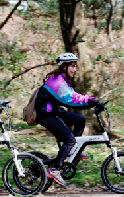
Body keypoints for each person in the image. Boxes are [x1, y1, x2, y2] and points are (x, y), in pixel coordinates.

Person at [35, 52, 103, 187]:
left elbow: (73, 95)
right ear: (64, 66)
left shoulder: (63, 79)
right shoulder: (57, 82)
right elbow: (70, 99)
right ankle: (55, 169)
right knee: (69, 139)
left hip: (54, 112)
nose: (74, 69)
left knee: (79, 120)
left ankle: (73, 151)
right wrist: (90, 101)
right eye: (72, 66)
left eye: (75, 66)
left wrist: (90, 102)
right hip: (46, 115)